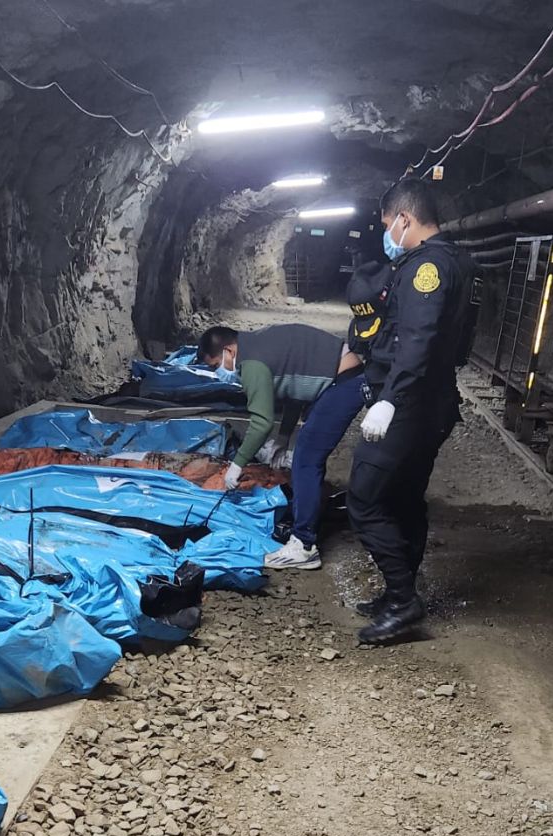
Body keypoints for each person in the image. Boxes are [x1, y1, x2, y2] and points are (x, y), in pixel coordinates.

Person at [348, 178, 482, 644]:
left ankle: (404, 601)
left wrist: (389, 398)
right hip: (433, 399)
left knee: (364, 498)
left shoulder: (427, 267)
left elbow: (417, 340)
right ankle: (397, 592)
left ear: (404, 219)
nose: (387, 234)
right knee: (403, 497)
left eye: (388, 224)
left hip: (411, 402)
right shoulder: (457, 260)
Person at [195, 321, 365, 570]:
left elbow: (261, 422)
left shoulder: (251, 363)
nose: (219, 371)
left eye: (216, 365)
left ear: (229, 351)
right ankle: (308, 518)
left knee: (306, 458)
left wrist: (237, 464)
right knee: (306, 452)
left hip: (345, 381)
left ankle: (303, 545)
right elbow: (294, 392)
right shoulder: (257, 344)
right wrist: (283, 439)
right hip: (341, 376)